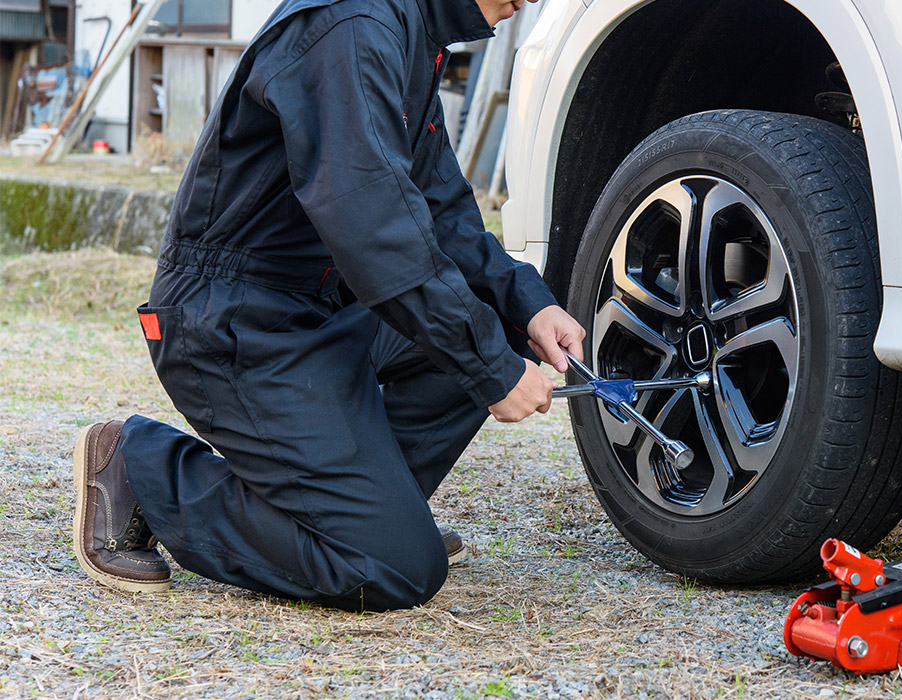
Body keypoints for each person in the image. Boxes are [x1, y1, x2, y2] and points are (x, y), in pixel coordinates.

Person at [70, 0, 582, 612]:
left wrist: (528, 304)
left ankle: (372, 515)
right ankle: (142, 469)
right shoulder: (353, 27)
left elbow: (438, 209)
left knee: (500, 323)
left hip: (322, 310)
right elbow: (375, 226)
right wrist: (491, 369)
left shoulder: (409, 32)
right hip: (237, 319)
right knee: (392, 568)